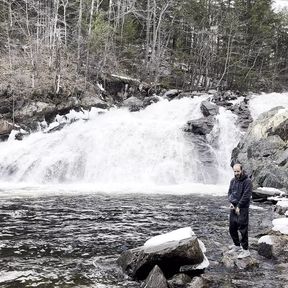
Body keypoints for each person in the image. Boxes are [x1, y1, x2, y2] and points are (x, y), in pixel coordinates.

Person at [228, 163, 252, 258]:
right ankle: (237, 245)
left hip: (243, 208)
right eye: (235, 171)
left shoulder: (247, 181)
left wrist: (239, 206)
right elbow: (230, 192)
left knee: (243, 229)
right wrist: (231, 203)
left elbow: (246, 195)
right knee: (232, 227)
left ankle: (246, 250)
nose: (236, 173)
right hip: (233, 207)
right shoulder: (233, 180)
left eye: (238, 171)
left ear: (242, 170)